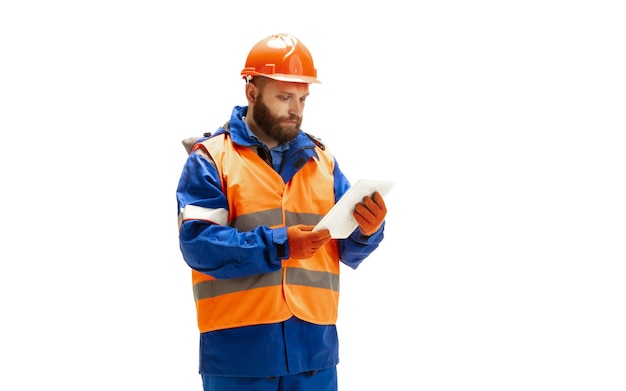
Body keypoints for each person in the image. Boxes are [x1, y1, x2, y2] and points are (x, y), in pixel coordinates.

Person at [176, 33, 388, 391]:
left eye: (303, 98)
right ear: (252, 93)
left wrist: (368, 230)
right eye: (285, 97)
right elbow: (198, 245)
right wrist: (279, 244)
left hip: (314, 354)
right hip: (239, 354)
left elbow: (348, 248)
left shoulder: (323, 162)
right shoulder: (211, 160)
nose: (296, 110)